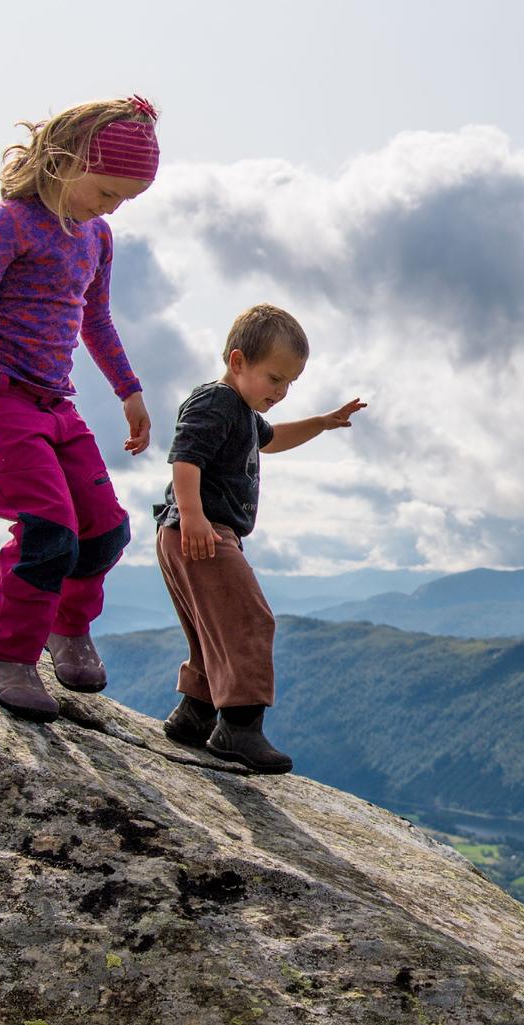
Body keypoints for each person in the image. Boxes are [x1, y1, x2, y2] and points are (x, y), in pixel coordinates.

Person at [0, 95, 160, 723]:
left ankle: (66, 628)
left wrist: (129, 389)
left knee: (104, 528)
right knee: (48, 531)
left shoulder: (96, 237)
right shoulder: (6, 224)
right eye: (107, 191)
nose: (111, 208)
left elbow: (95, 317)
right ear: (66, 160)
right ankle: (1, 655)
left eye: (124, 200)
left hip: (56, 404)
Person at [154, 304, 367, 773]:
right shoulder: (217, 401)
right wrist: (193, 517)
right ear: (237, 362)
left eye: (291, 383)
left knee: (211, 628)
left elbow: (271, 441)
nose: (282, 391)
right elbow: (185, 456)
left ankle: (194, 715)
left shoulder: (244, 414)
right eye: (275, 379)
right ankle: (239, 729)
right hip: (202, 531)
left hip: (189, 531)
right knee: (249, 620)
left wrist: (323, 422)